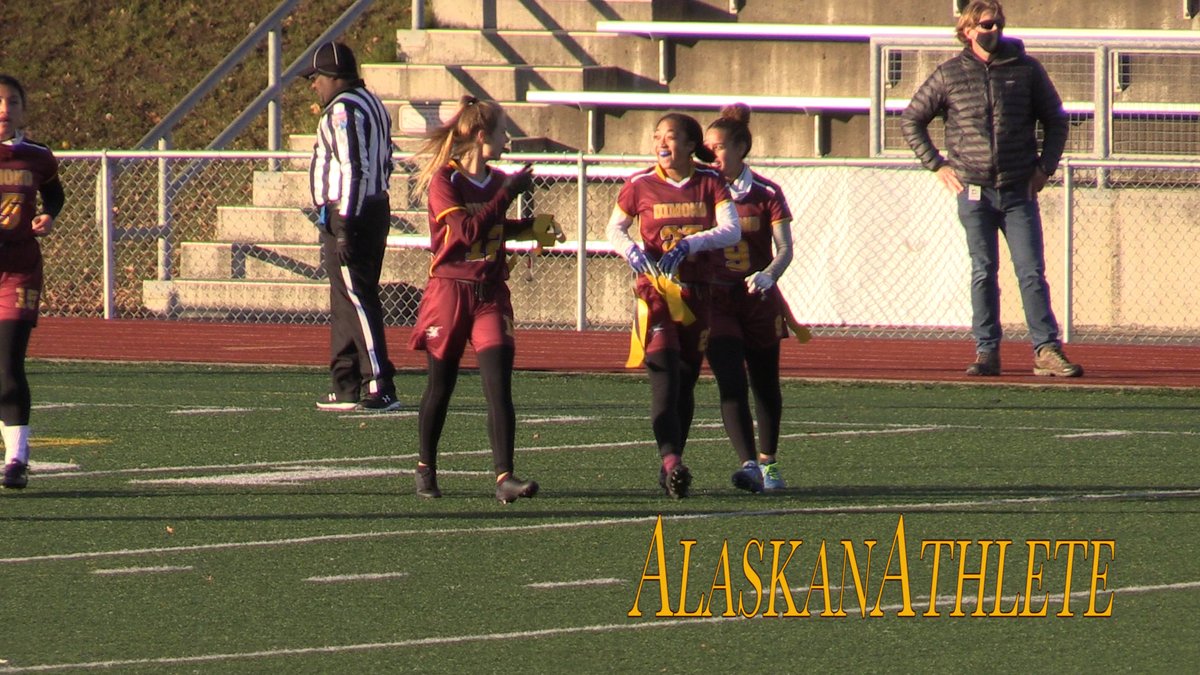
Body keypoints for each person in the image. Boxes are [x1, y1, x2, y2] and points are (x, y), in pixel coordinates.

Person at [900, 0, 1082, 378]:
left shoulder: (1026, 70)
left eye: (997, 23)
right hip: (973, 190)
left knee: (1031, 272)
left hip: (1018, 190)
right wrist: (937, 165)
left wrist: (1044, 168)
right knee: (983, 270)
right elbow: (912, 119)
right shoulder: (950, 74)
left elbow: (1056, 120)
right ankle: (987, 351)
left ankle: (1046, 349)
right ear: (968, 30)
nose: (993, 30)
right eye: (985, 25)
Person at [408, 95, 560, 503]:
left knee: (498, 385)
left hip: (490, 293)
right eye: (502, 131)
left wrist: (529, 228)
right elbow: (467, 233)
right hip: (450, 292)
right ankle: (425, 466)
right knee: (441, 386)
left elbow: (492, 228)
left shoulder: (494, 181)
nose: (507, 139)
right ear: (480, 135)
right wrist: (507, 194)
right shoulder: (446, 181)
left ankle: (504, 476)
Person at [607, 112, 741, 498]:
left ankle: (671, 466)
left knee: (685, 381)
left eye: (669, 137)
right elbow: (614, 228)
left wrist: (690, 244)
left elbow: (731, 229)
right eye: (656, 137)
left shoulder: (710, 181)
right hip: (657, 293)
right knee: (664, 376)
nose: (661, 144)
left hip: (698, 294)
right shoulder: (639, 184)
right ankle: (672, 462)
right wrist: (631, 251)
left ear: (689, 144)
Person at [303, 41, 402, 412]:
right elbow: (385, 160)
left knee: (358, 297)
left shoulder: (343, 111)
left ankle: (380, 381)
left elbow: (355, 167)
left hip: (352, 213)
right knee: (346, 299)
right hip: (370, 208)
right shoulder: (372, 102)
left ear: (334, 76)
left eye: (317, 78)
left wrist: (345, 222)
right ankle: (345, 383)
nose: (314, 85)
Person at [703, 104, 794, 493]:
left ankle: (768, 462)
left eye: (719, 147)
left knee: (765, 382)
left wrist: (769, 274)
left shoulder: (766, 192)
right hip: (716, 301)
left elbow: (785, 249)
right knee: (730, 380)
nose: (711, 155)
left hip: (757, 301)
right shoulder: (701, 191)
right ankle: (748, 465)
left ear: (741, 148)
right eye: (706, 148)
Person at [0, 75, 64, 489]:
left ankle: (16, 459)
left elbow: (54, 194)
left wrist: (48, 215)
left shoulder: (37, 156)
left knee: (8, 365)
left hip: (18, 269)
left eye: (13, 102)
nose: (4, 110)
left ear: (24, 109)